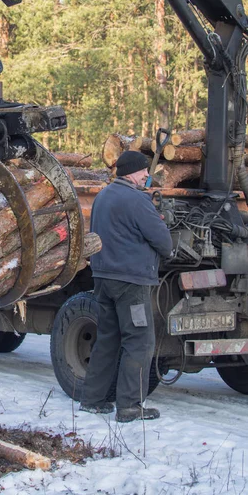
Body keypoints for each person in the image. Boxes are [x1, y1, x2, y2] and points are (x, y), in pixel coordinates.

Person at [80, 150, 173, 423]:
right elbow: (164, 244)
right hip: (131, 283)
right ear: (132, 172)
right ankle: (130, 406)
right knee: (139, 341)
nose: (147, 175)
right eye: (144, 171)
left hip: (103, 278)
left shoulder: (103, 197)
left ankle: (92, 400)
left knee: (108, 338)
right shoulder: (137, 200)